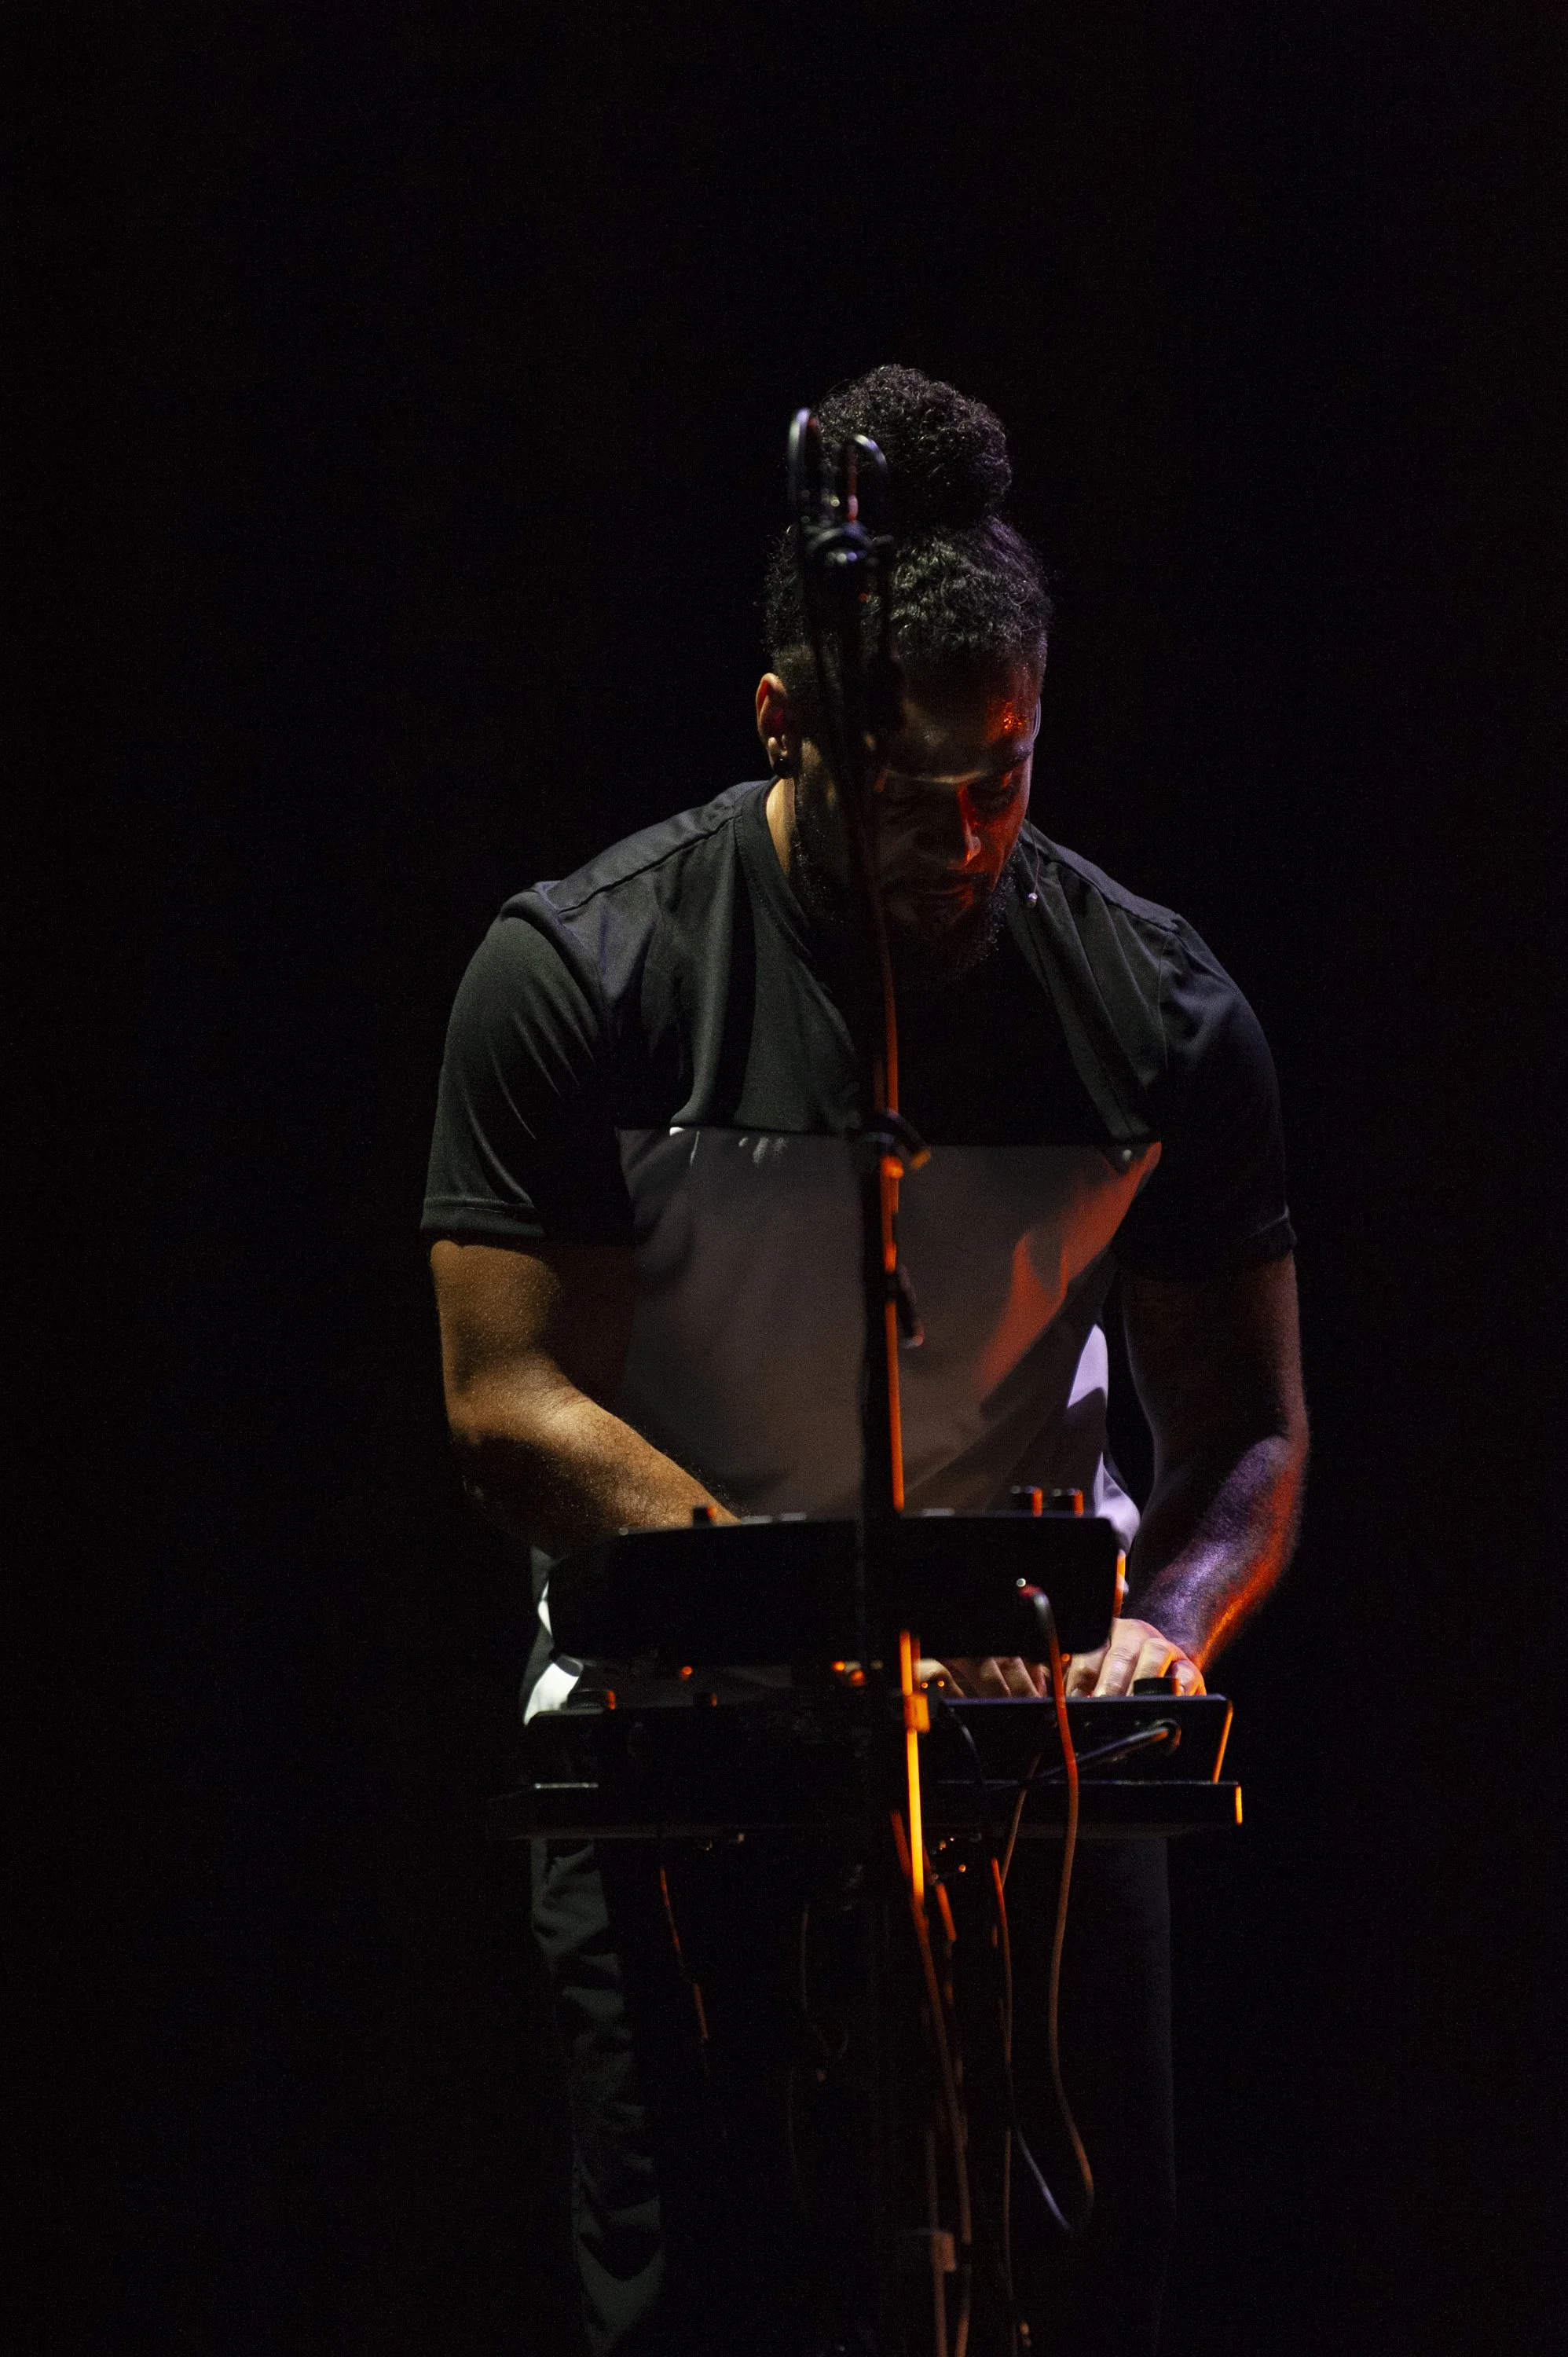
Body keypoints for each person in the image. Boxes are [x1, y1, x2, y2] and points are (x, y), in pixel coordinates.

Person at [423, 366, 1308, 2357]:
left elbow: (1242, 1433)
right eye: (916, 795)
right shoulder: (583, 977)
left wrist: (1162, 1626)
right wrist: (778, 1593)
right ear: (782, 728)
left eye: (1006, 778)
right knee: (701, 2295)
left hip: (1023, 1754)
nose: (970, 842)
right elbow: (502, 1396)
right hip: (674, 1714)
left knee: (1074, 2289)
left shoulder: (1156, 1012)